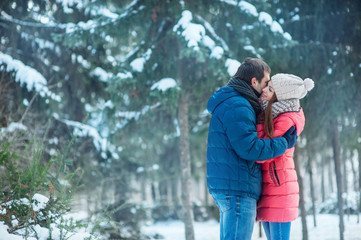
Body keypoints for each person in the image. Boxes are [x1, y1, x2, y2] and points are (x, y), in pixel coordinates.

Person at [206, 58, 298, 240]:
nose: (265, 89)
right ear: (253, 82)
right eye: (265, 83)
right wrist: (284, 143)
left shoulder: (233, 101)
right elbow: (249, 148)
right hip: (238, 187)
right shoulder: (239, 105)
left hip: (231, 185)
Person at [256, 73, 314, 240]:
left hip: (279, 188)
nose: (265, 90)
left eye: (270, 89)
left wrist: (259, 120)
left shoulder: (285, 119)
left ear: (281, 96)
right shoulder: (274, 114)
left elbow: (263, 153)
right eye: (267, 86)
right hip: (271, 188)